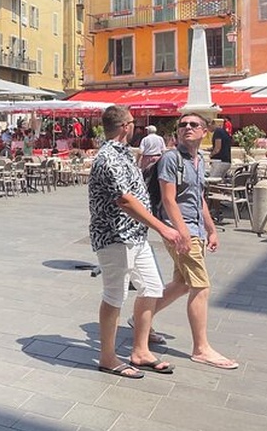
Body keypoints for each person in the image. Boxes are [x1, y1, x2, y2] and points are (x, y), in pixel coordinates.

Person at [88, 105, 185, 379]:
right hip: (115, 236)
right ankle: (107, 357)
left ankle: (140, 351)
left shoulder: (123, 154)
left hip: (135, 236)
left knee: (152, 287)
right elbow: (125, 200)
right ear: (124, 127)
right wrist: (162, 228)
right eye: (133, 122)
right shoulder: (108, 157)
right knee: (114, 295)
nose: (136, 126)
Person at [152, 113, 238, 370]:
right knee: (201, 286)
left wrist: (211, 229)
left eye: (194, 125)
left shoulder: (198, 160)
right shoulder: (171, 158)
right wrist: (183, 232)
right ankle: (201, 349)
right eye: (183, 125)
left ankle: (141, 318)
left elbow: (197, 198)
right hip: (180, 230)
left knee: (181, 284)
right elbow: (169, 199)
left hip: (196, 229)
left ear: (205, 132)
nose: (187, 127)